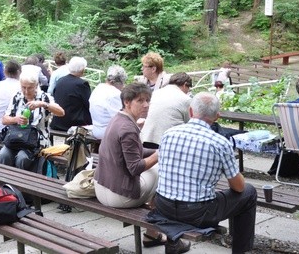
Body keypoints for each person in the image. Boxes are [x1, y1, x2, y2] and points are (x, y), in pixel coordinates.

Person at [154, 92, 256, 254]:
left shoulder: (169, 134)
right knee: (249, 192)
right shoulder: (220, 143)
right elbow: (238, 187)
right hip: (196, 214)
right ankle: (241, 251)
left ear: (191, 111)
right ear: (217, 117)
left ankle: (173, 244)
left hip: (163, 206)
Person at [94, 83, 161, 246]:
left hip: (102, 187)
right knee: (162, 170)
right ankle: (153, 232)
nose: (146, 105)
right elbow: (135, 167)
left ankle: (153, 229)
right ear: (127, 102)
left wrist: (156, 150)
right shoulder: (128, 128)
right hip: (118, 196)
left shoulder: (117, 119)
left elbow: (133, 152)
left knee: (155, 168)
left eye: (148, 100)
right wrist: (160, 155)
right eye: (140, 100)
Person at [0, 70, 65, 170]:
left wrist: (43, 104)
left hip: (37, 140)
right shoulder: (17, 97)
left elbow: (61, 112)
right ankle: (4, 181)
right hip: (16, 138)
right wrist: (16, 119)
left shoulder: (44, 98)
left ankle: (23, 183)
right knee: (3, 155)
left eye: (30, 88)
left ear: (36, 85)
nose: (26, 91)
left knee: (22, 158)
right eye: (23, 87)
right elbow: (4, 120)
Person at [141, 72, 193, 146]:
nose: (188, 92)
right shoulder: (186, 99)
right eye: (189, 89)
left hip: (146, 138)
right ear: (185, 85)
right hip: (169, 142)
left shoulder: (156, 93)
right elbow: (190, 123)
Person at [50, 56, 92, 132]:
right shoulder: (82, 84)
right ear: (82, 70)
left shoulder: (60, 80)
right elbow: (89, 103)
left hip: (58, 121)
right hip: (74, 123)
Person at [89, 65, 127, 139]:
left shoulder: (98, 88)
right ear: (118, 82)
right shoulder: (114, 93)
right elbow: (120, 117)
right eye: (123, 83)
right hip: (108, 132)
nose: (123, 86)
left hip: (97, 129)